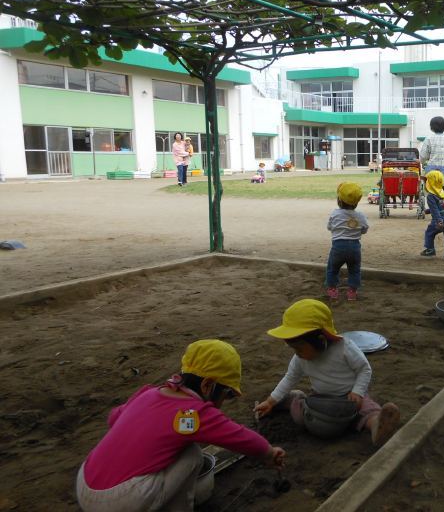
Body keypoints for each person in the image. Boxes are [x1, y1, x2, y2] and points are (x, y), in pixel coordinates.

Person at [76, 339, 286, 511]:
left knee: (176, 444)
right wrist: (268, 452)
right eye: (227, 394)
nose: (224, 402)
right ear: (208, 385)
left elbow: (113, 418)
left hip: (85, 483)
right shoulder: (194, 414)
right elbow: (238, 437)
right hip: (119, 501)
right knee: (193, 454)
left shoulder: (148, 393)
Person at [254, 299, 400, 446]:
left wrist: (358, 392)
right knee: (300, 415)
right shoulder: (300, 358)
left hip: (349, 397)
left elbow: (364, 369)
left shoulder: (344, 348)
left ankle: (377, 426)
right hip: (321, 399)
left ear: (321, 340)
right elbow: (289, 378)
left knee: (367, 409)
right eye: (294, 349)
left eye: (299, 348)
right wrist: (271, 401)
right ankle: (291, 399)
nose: (297, 353)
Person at [326, 182, 369, 301]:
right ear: (357, 202)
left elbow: (329, 227)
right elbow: (365, 228)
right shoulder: (360, 216)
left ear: (339, 200)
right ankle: (352, 292)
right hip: (354, 247)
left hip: (338, 246)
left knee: (332, 269)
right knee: (354, 270)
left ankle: (332, 290)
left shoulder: (335, 214)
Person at [420, 170, 444, 261]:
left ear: (430, 183)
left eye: (426, 182)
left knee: (429, 232)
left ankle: (430, 249)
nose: (425, 184)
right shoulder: (442, 194)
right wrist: (428, 211)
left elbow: (435, 210)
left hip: (440, 219)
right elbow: (442, 206)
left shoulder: (431, 196)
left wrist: (438, 221)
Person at [419, 116, 444, 187]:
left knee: (431, 190)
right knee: (442, 189)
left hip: (432, 170)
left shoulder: (428, 139)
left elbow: (423, 156)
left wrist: (421, 163)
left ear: (432, 127)